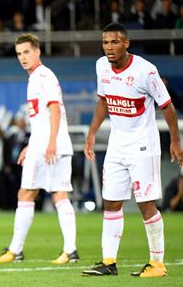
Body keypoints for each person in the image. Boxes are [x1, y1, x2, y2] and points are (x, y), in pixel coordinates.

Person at [82, 23, 183, 278]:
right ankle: (108, 262)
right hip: (117, 144)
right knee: (111, 202)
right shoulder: (100, 66)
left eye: (114, 42)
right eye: (105, 43)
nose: (109, 48)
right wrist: (92, 133)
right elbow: (104, 101)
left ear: (126, 43)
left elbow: (167, 107)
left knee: (146, 204)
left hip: (143, 145)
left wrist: (174, 141)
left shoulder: (146, 71)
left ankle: (157, 264)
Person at [0, 33, 78, 265]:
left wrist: (50, 143)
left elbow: (55, 109)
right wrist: (31, 144)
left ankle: (16, 250)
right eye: (19, 54)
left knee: (28, 193)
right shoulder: (37, 77)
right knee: (57, 194)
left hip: (50, 145)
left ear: (37, 51)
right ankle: (70, 250)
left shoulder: (42, 75)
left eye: (27, 52)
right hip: (46, 143)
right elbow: (44, 118)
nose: (23, 58)